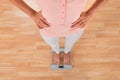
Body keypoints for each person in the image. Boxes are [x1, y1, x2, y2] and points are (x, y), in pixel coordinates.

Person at [9, 0, 108, 65]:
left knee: (70, 43)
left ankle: (66, 51)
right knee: (52, 43)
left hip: (76, 26)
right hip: (47, 27)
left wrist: (90, 12)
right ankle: (56, 51)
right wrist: (31, 14)